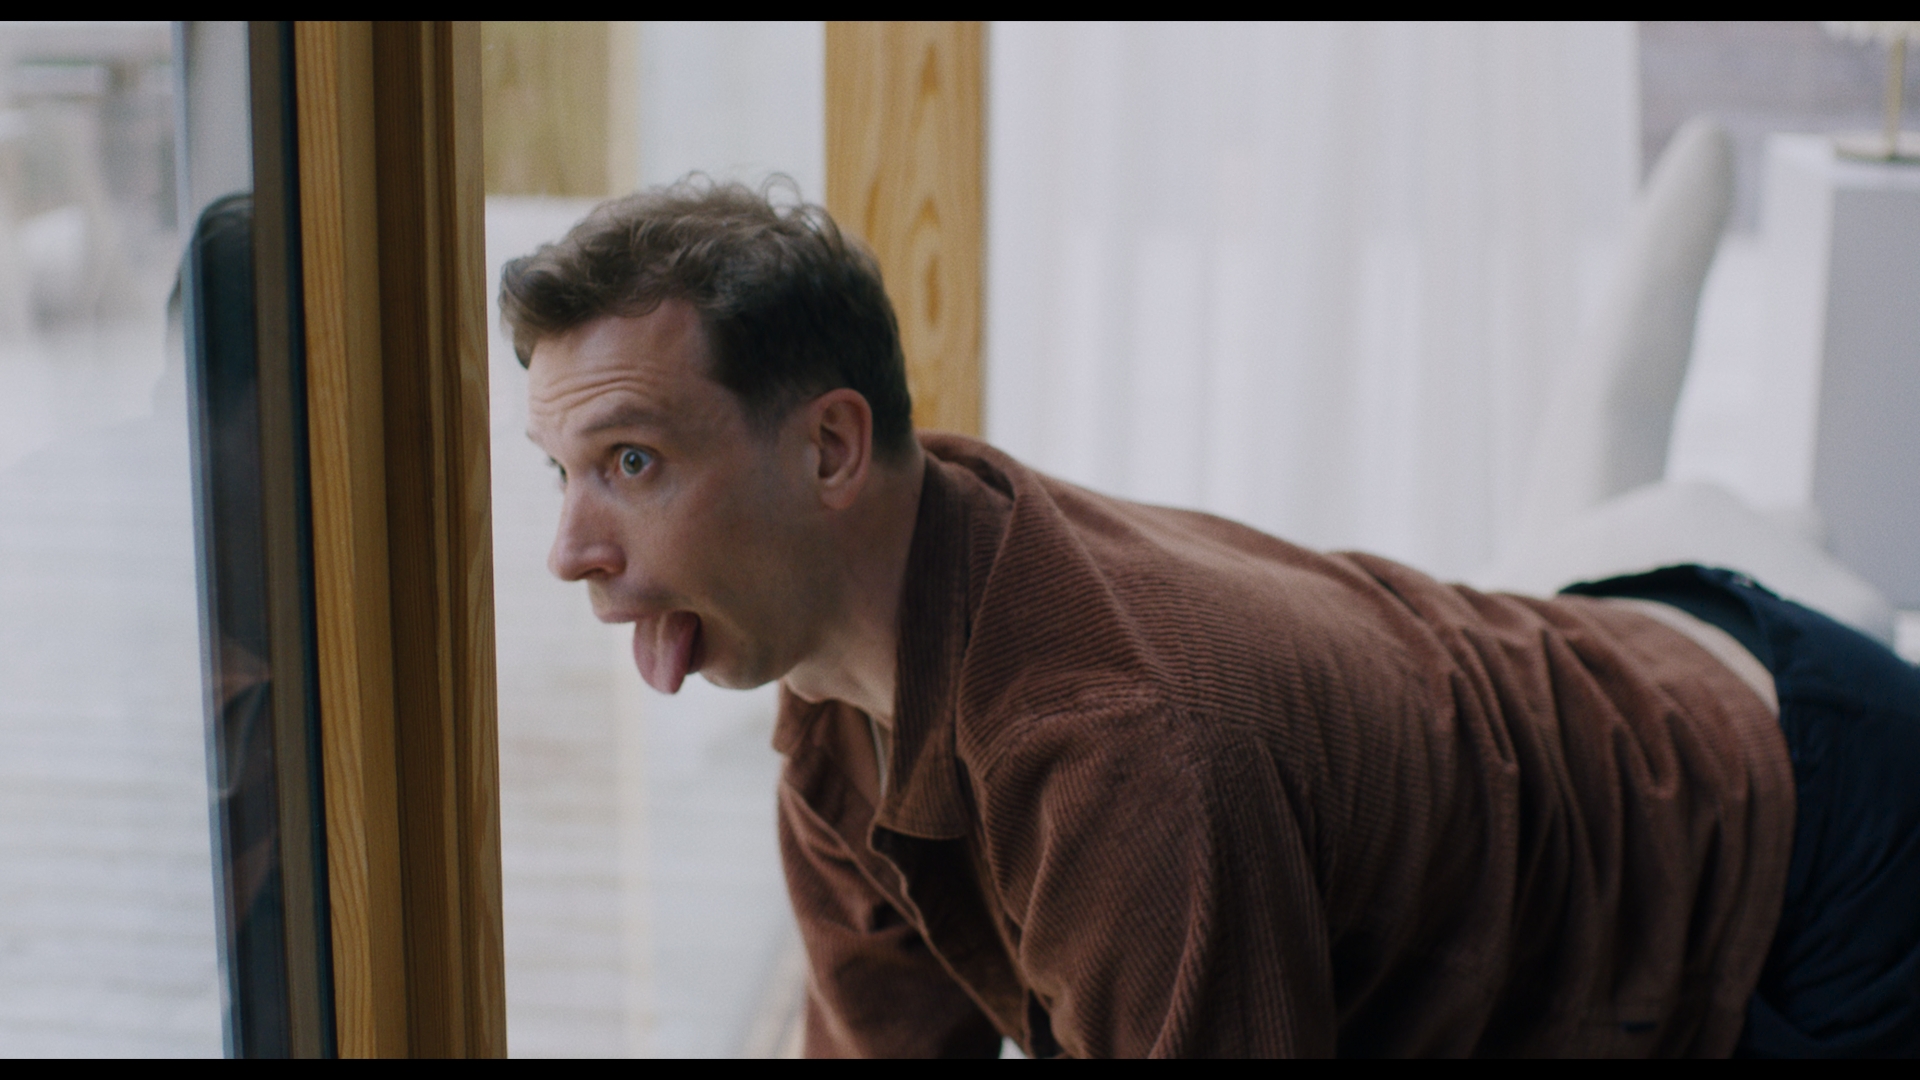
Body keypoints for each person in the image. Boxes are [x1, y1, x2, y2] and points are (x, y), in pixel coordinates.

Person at [500, 180, 1920, 1058]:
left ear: (830, 449)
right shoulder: (838, 706)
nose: (570, 551)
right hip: (1598, 684)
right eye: (562, 474)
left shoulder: (1122, 757)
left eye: (634, 462)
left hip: (1803, 843)